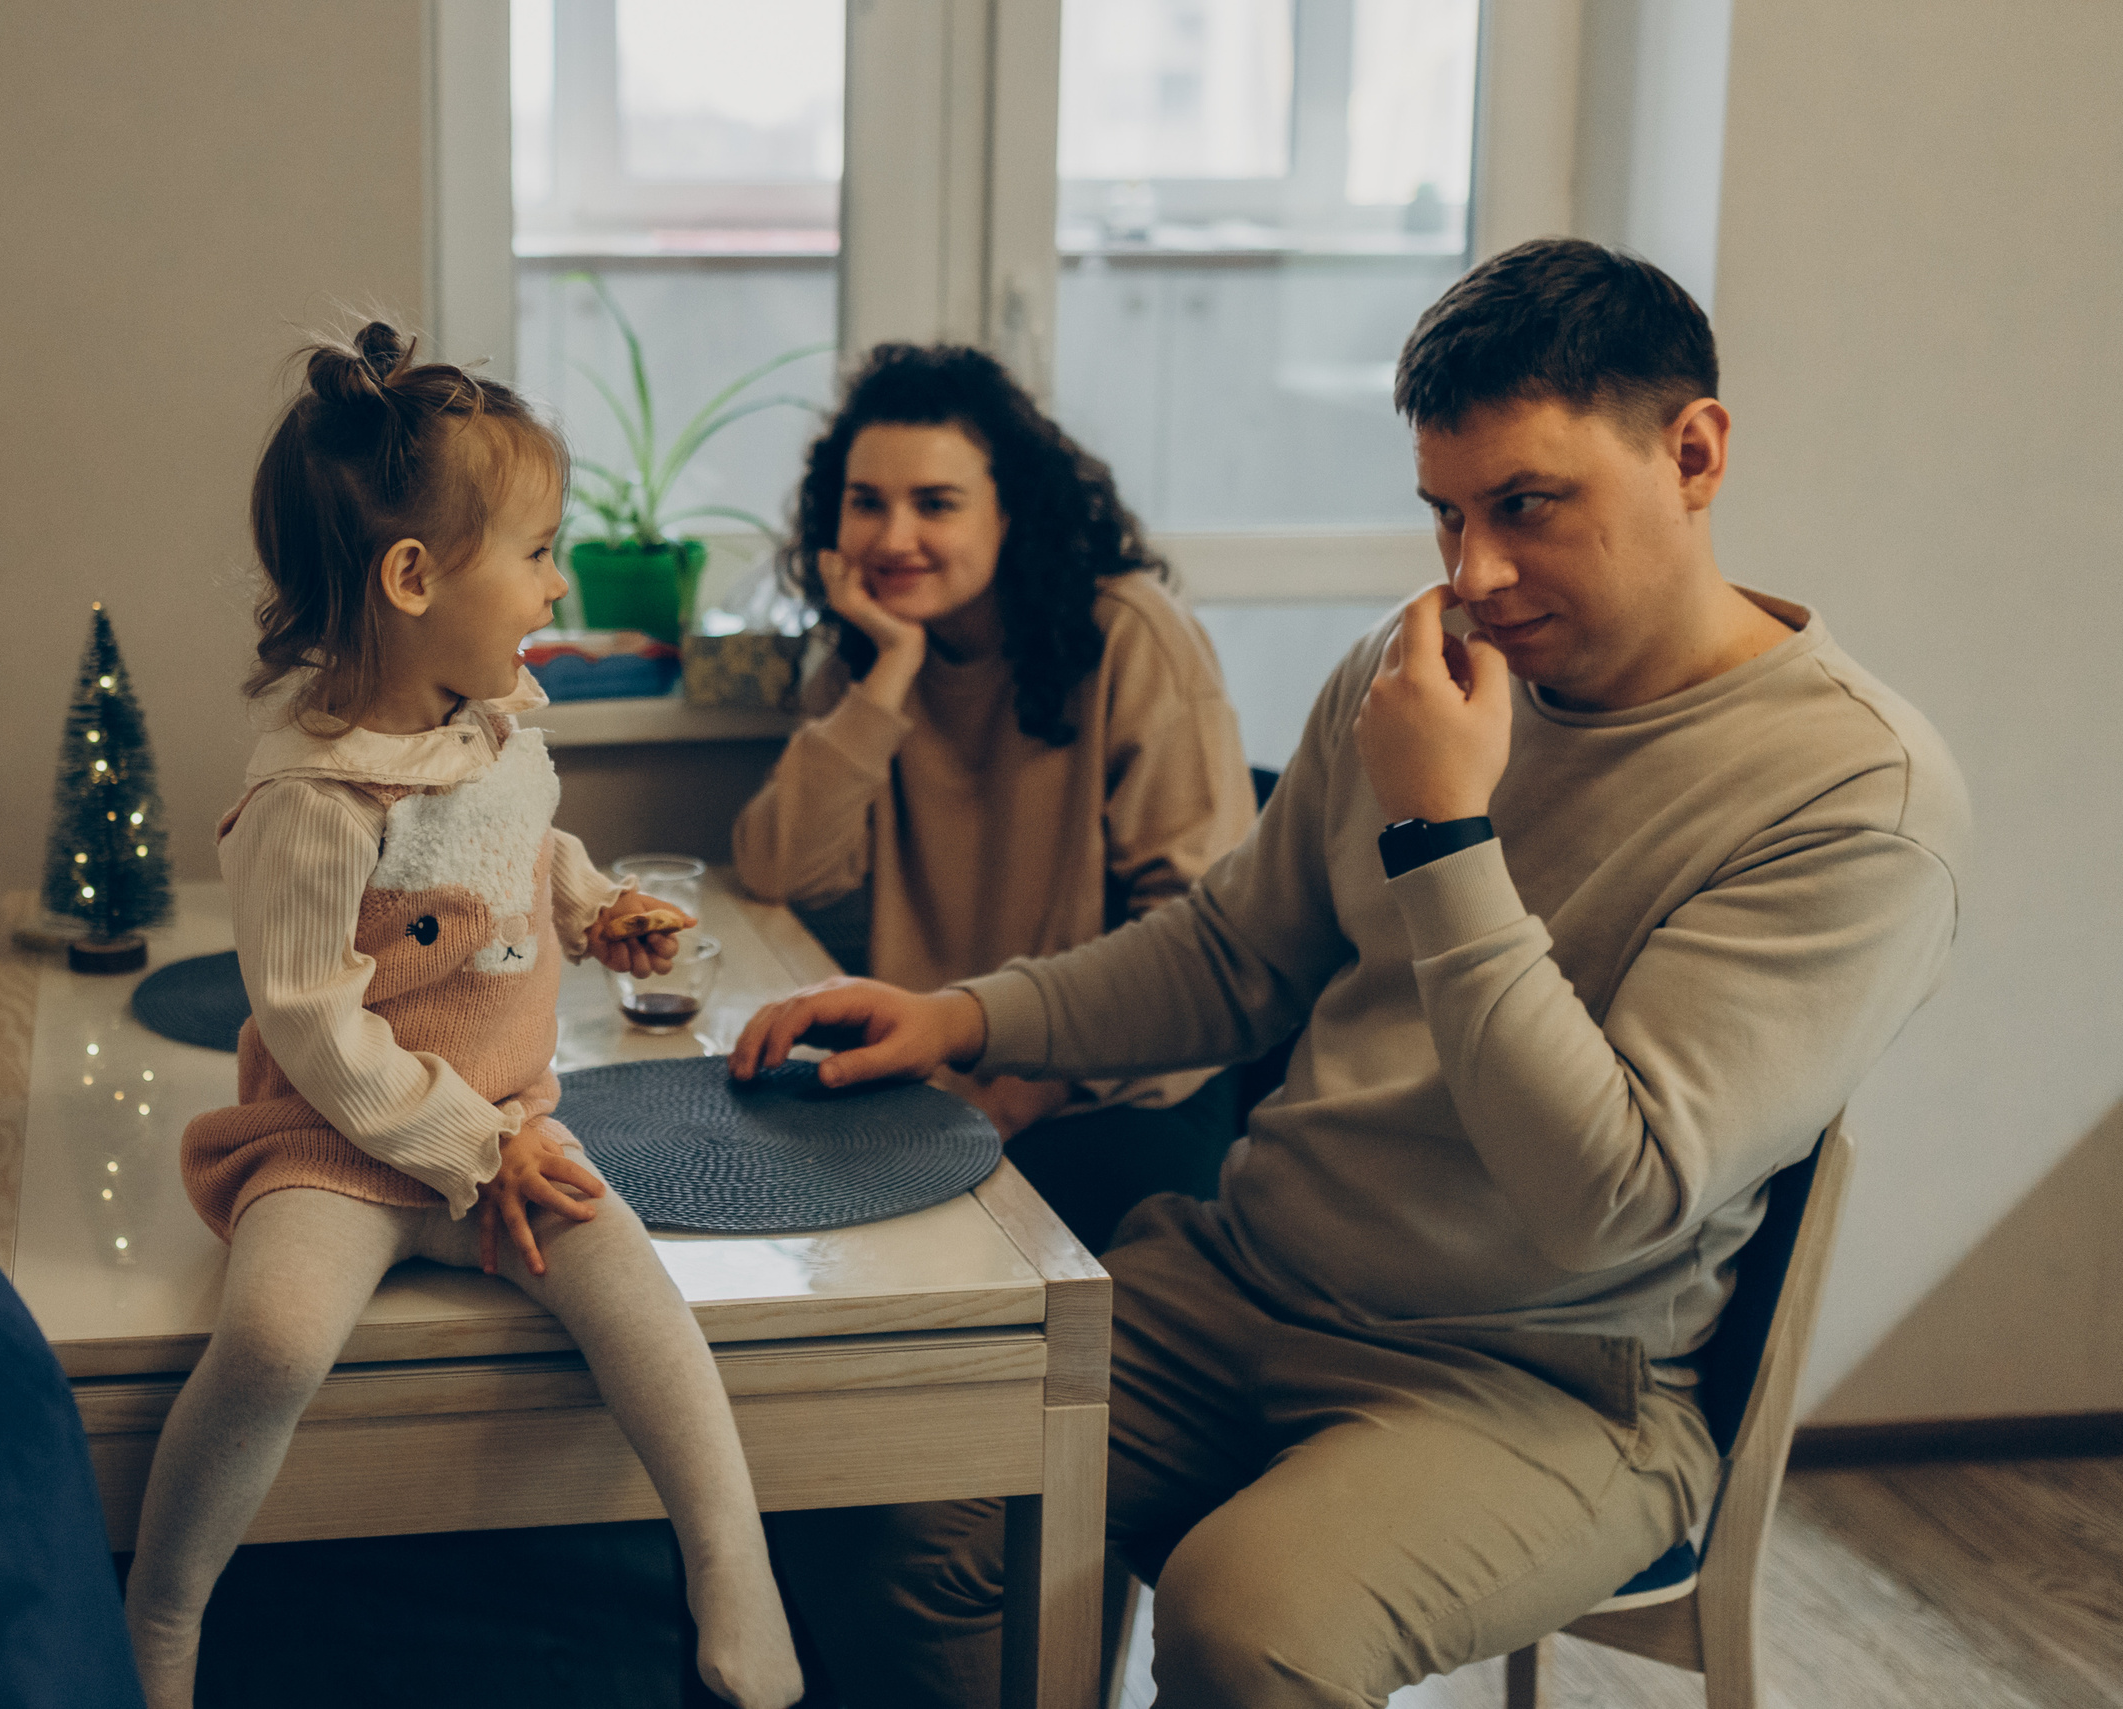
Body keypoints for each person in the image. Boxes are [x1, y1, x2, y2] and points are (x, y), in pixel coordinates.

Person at [730, 239, 1970, 1707]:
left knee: (1247, 1620)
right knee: (879, 1488)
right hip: (1242, 1283)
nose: (1475, 573)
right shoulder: (1416, 662)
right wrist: (966, 1014)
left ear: (1694, 452)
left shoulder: (1854, 795)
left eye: (1527, 506)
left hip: (1542, 1382)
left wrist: (1443, 828)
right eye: (1447, 515)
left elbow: (1608, 1194)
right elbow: (1231, 954)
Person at [120, 325, 801, 1709]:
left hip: (510, 1124)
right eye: (540, 551)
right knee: (270, 1341)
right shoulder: (313, 799)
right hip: (341, 1143)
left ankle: (734, 1567)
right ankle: (164, 1608)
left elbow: (515, 851)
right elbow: (311, 1020)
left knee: (642, 1306)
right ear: (414, 578)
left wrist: (594, 903)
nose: (560, 580)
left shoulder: (495, 721)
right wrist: (471, 1150)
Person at [731, 343, 1256, 1253]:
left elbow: (1205, 935)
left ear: (1011, 510)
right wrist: (890, 674)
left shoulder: (1132, 637)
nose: (894, 539)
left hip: (1115, 1089)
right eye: (867, 503)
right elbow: (781, 869)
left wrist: (1022, 1089)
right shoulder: (873, 651)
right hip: (935, 1064)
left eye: (935, 504)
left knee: (925, 1276)